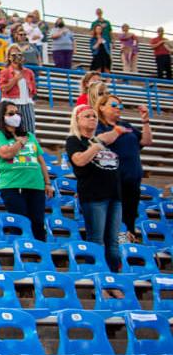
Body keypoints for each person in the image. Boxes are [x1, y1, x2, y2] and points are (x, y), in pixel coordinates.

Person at [65, 104, 122, 272]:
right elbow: (79, 161)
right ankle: (98, 278)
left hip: (115, 195)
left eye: (94, 116)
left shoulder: (105, 140)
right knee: (96, 240)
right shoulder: (74, 140)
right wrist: (96, 145)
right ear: (77, 120)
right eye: (87, 116)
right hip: (94, 195)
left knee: (113, 241)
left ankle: (114, 280)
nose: (92, 119)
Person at [0, 101, 52, 240]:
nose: (16, 116)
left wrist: (47, 183)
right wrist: (19, 143)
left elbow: (40, 160)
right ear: (2, 116)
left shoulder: (29, 135)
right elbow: (6, 154)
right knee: (20, 222)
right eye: (11, 113)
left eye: (17, 113)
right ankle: (20, 253)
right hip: (13, 185)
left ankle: (40, 256)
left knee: (37, 223)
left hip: (36, 185)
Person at [95, 94, 152, 241]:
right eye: (113, 105)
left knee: (130, 213)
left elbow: (146, 141)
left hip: (133, 177)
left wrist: (145, 120)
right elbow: (99, 142)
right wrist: (116, 131)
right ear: (102, 107)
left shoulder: (126, 125)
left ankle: (130, 240)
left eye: (120, 106)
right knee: (115, 213)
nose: (118, 109)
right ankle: (115, 241)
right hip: (113, 178)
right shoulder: (99, 126)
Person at [0, 43, 37, 134]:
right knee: (13, 130)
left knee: (30, 130)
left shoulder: (28, 72)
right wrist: (15, 79)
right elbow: (3, 88)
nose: (16, 57)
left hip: (27, 103)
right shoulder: (5, 72)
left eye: (19, 54)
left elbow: (33, 89)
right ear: (8, 57)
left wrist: (31, 95)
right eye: (13, 55)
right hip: (12, 103)